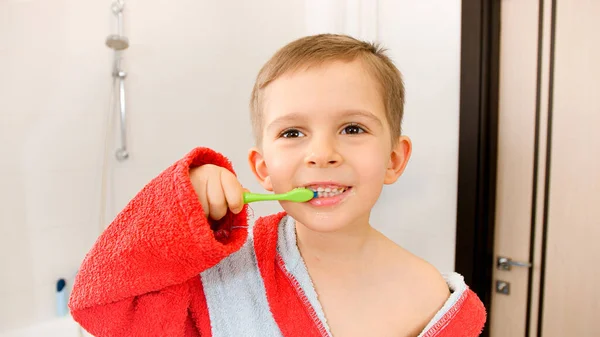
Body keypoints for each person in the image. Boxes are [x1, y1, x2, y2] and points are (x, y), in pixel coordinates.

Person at [69, 34, 486, 337]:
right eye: (292, 133)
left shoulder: (432, 299)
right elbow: (100, 302)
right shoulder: (223, 275)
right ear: (263, 168)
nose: (321, 153)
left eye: (352, 127)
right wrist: (177, 210)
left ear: (394, 159)